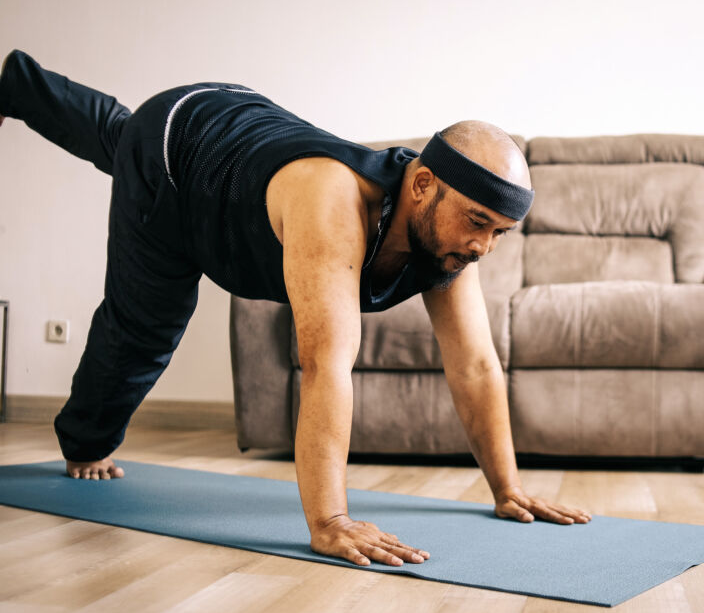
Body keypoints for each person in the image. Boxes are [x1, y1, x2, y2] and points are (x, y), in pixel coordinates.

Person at [0, 49, 591, 568]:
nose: (483, 246)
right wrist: (329, 520)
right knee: (148, 324)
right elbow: (325, 362)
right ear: (421, 185)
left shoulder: (448, 241)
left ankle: (15, 81)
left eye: (501, 233)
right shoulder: (331, 200)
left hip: (232, 125)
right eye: (478, 223)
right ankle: (84, 441)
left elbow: (475, 365)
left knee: (114, 132)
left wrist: (507, 488)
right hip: (176, 157)